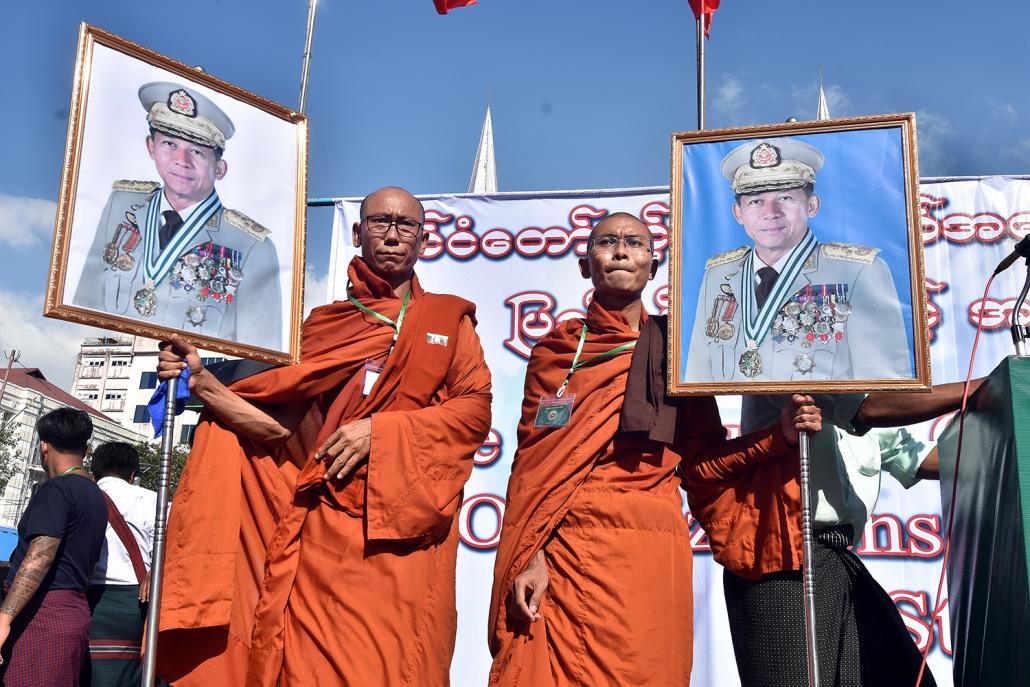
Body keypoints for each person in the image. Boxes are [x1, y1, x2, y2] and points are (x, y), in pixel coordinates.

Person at [154, 186, 492, 686]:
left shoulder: (448, 320)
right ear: (358, 233)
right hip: (320, 526)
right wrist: (202, 384)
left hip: (400, 535)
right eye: (380, 222)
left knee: (393, 665)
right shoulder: (321, 326)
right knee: (308, 667)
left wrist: (383, 430)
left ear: (424, 240)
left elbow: (474, 410)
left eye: (406, 226)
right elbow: (275, 431)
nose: (393, 235)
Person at [488, 213, 823, 685]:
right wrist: (530, 555)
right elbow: (532, 467)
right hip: (566, 545)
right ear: (586, 264)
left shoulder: (676, 352)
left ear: (653, 264)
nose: (621, 251)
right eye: (606, 242)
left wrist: (779, 436)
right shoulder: (556, 352)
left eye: (635, 243)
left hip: (649, 546)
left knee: (649, 670)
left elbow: (706, 463)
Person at [684, 382, 982, 687]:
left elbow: (918, 457)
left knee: (899, 674)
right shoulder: (788, 364)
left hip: (835, 559)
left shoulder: (865, 391)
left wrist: (1006, 435)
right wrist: (980, 388)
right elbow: (867, 409)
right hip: (782, 560)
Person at [73, 81, 282, 351]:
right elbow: (85, 301)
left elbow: (259, 352)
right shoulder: (121, 203)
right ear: (151, 147)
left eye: (197, 151)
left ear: (219, 168)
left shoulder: (252, 246)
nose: (181, 160)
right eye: (169, 144)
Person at [685, 137, 911, 382]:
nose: (770, 213)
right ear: (738, 213)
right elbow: (699, 379)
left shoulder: (857, 272)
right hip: (731, 422)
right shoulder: (718, 275)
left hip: (823, 421)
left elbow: (884, 387)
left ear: (811, 206)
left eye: (785, 198)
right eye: (756, 201)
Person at [0, 408, 107, 686]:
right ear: (85, 449)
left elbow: (40, 556)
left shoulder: (57, 489)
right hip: (73, 612)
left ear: (43, 445)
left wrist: (3, 618)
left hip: (43, 615)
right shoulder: (95, 493)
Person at [87, 442, 156, 687]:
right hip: (137, 600)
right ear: (133, 475)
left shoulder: (81, 497)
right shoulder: (153, 501)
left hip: (86, 600)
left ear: (94, 473)